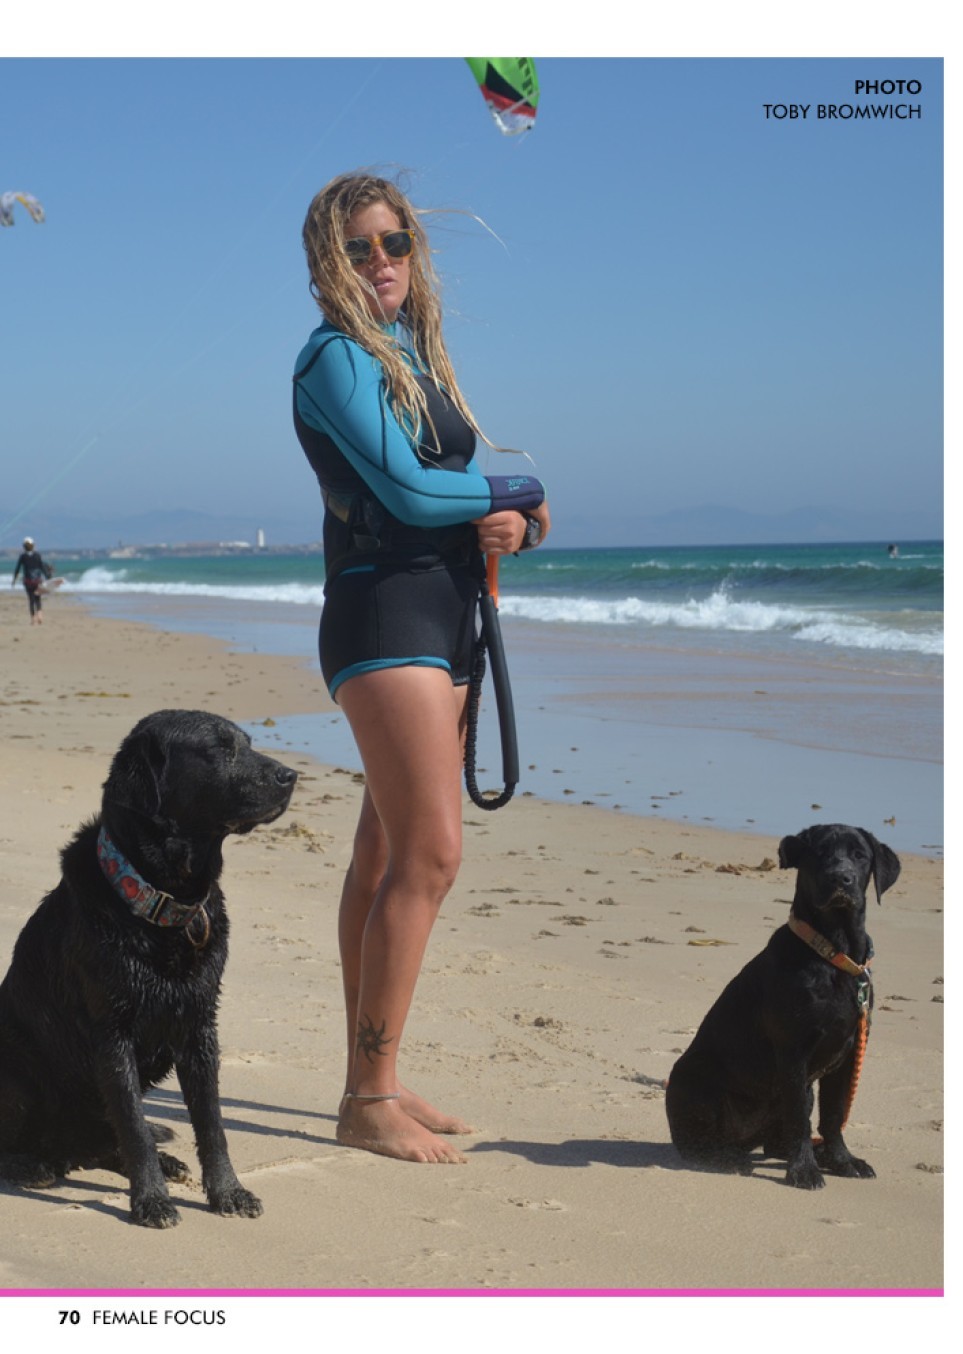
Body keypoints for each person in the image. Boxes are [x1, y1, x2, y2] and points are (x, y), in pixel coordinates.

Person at [294, 172, 550, 1164]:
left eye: (393, 241)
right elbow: (406, 491)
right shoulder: (334, 356)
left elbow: (461, 492)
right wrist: (519, 486)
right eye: (358, 247)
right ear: (329, 261)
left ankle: (378, 1080)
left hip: (448, 614)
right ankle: (366, 1099)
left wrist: (518, 524)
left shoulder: (413, 353)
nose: (381, 261)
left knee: (382, 854)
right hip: (383, 612)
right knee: (432, 855)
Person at [11, 536, 52, 625]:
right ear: (33, 545)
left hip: (28, 582)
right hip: (37, 581)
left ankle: (33, 619)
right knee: (38, 599)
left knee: (31, 600)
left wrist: (14, 580)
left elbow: (17, 569)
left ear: (24, 546)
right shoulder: (37, 555)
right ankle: (40, 615)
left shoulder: (22, 556)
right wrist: (48, 577)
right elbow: (42, 567)